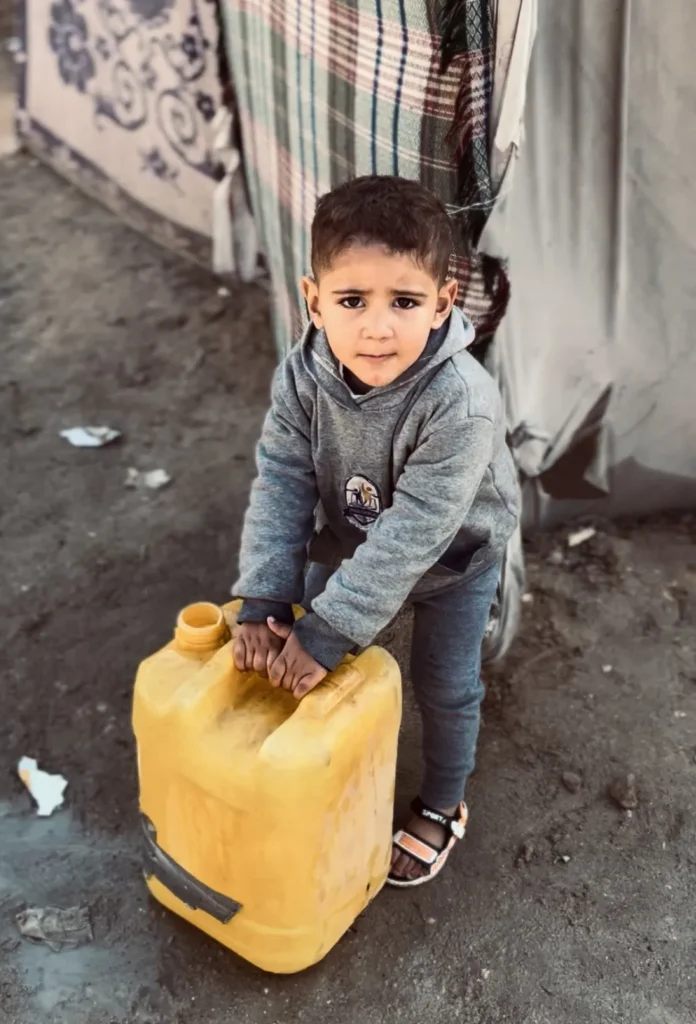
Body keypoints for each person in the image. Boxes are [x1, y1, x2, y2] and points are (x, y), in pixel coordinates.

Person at [231, 175, 520, 887]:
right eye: (352, 301)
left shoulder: (460, 404)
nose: (377, 327)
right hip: (358, 538)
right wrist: (265, 596)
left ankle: (445, 804)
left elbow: (420, 529)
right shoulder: (303, 376)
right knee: (300, 627)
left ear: (444, 303)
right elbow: (284, 481)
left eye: (406, 302)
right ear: (313, 299)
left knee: (443, 684)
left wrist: (331, 629)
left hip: (454, 559)